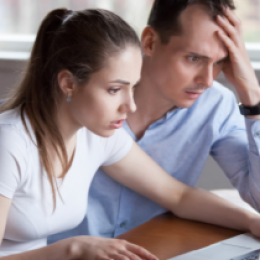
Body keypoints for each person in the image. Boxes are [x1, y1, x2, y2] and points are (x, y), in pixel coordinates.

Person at [1, 5, 260, 260]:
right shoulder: (10, 141)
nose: (130, 105)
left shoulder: (95, 135)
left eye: (132, 87)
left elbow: (179, 196)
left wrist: (252, 221)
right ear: (68, 83)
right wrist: (72, 249)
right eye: (114, 89)